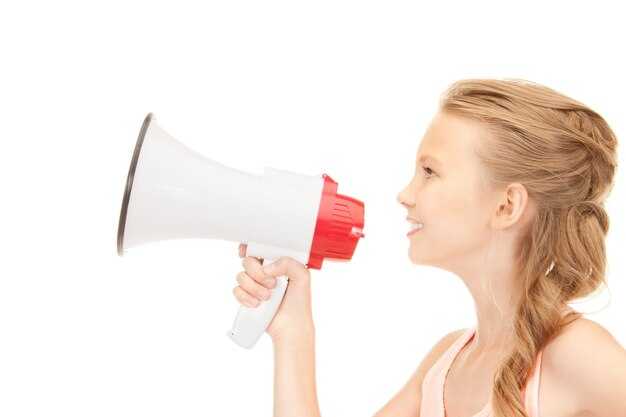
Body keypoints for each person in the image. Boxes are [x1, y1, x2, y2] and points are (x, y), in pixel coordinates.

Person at [233, 79, 626, 417]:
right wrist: (293, 333)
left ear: (507, 206)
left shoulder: (580, 354)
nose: (405, 194)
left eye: (430, 172)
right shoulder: (445, 363)